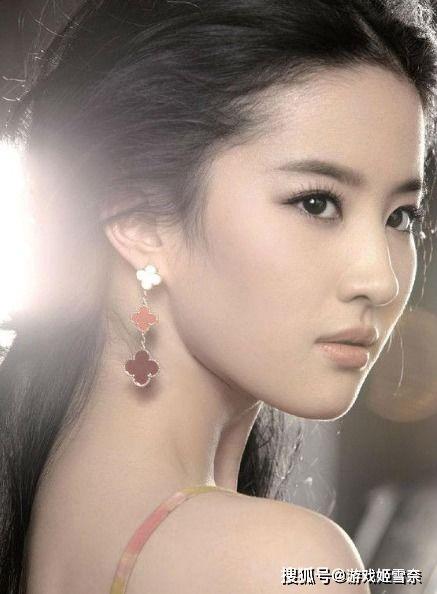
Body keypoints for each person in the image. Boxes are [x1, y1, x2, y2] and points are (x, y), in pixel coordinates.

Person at [0, 0, 436, 592]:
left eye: (401, 216)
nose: (381, 281)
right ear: (140, 220)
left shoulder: (48, 519)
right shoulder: (279, 562)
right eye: (316, 203)